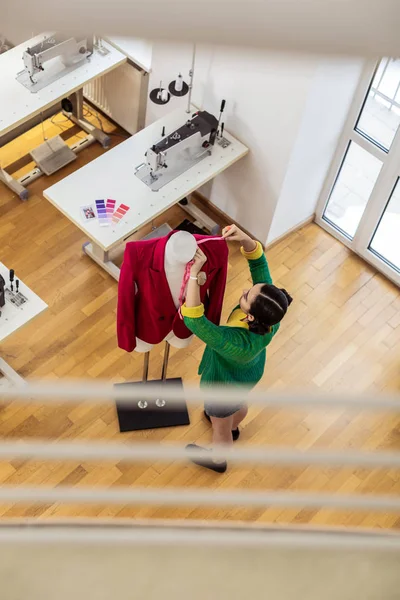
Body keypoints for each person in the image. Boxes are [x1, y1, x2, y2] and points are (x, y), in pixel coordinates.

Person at [181, 225, 292, 473]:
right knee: (237, 405)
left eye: (245, 297)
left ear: (250, 317)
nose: (243, 291)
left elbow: (194, 319)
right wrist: (245, 238)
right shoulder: (271, 314)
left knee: (220, 428)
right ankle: (232, 426)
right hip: (245, 378)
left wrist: (192, 275)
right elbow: (259, 267)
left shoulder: (234, 343)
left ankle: (219, 458)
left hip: (222, 389)